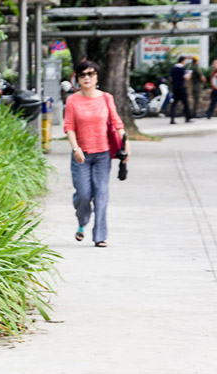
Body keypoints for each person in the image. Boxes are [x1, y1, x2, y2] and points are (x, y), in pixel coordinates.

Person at [63, 60, 130, 248]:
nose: (87, 78)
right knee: (84, 195)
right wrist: (76, 148)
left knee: (101, 194)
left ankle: (100, 236)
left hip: (103, 154)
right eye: (83, 74)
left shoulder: (106, 98)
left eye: (91, 74)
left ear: (96, 77)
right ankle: (82, 221)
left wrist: (126, 144)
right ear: (77, 78)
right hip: (81, 155)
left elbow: (117, 123)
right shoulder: (72, 100)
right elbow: (69, 126)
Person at [169, 55, 193, 124]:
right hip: (181, 87)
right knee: (185, 103)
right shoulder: (182, 69)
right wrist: (189, 74)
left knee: (174, 104)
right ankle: (188, 118)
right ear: (182, 61)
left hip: (175, 87)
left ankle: (172, 119)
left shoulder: (173, 69)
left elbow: (170, 79)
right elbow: (186, 78)